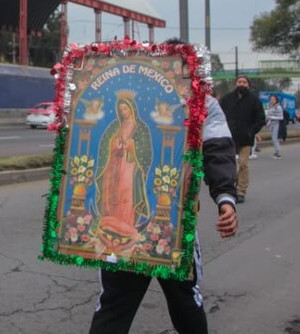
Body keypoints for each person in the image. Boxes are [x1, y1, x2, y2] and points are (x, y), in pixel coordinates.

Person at [88, 71, 238, 334]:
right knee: (115, 303)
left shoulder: (202, 103)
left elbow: (217, 149)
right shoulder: (113, 97)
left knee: (185, 302)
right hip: (119, 216)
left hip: (173, 223)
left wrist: (225, 197)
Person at [94, 96, 153, 246]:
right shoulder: (115, 126)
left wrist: (132, 145)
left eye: (125, 109)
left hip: (130, 166)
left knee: (125, 192)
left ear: (132, 108)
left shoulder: (141, 128)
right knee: (111, 192)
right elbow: (105, 143)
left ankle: (126, 225)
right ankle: (110, 222)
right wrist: (114, 143)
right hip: (113, 165)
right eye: (121, 110)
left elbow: (146, 150)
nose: (123, 112)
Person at [219, 75, 265, 203]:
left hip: (245, 138)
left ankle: (241, 191)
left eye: (244, 82)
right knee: (228, 165)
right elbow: (218, 115)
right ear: (236, 84)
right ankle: (229, 188)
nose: (242, 84)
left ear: (248, 85)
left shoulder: (254, 101)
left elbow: (261, 119)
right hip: (229, 137)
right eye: (239, 82)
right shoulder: (226, 99)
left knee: (243, 165)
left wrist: (251, 131)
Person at [266, 94, 285, 159]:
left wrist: (272, 117)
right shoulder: (270, 106)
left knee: (275, 139)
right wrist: (268, 122)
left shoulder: (278, 107)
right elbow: (269, 116)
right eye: (271, 99)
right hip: (271, 124)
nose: (272, 100)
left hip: (277, 124)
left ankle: (278, 153)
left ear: (276, 100)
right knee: (273, 139)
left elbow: (281, 117)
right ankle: (276, 151)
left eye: (273, 99)